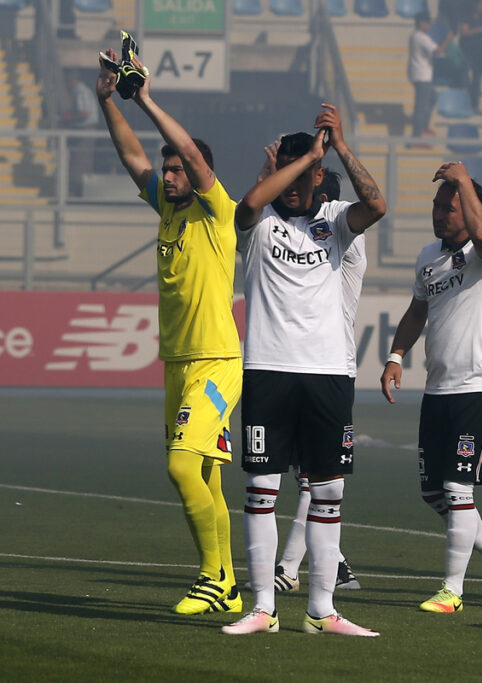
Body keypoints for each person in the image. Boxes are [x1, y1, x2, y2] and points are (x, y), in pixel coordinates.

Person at [223, 104, 387, 636]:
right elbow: (248, 203)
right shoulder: (261, 221)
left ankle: (322, 610)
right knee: (263, 486)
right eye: (285, 174)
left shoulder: (336, 221)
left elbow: (378, 205)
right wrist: (291, 167)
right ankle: (264, 608)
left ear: (319, 177)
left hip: (328, 375)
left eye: (305, 174)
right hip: (269, 368)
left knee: (328, 491)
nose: (293, 187)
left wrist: (336, 148)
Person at [96, 50, 242, 615]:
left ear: (199, 172)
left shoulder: (216, 209)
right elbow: (134, 158)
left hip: (215, 362)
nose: (170, 174)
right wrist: (106, 99)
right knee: (204, 475)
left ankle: (211, 575)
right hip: (178, 363)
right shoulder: (168, 209)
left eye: (179, 168)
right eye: (170, 169)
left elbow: (188, 159)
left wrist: (146, 98)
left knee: (180, 465)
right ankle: (227, 582)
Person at [380, 161, 482, 614]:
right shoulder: (427, 257)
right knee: (434, 495)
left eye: (451, 206)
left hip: (477, 389)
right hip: (437, 390)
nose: (440, 214)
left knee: (459, 492)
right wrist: (395, 356)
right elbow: (416, 312)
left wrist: (464, 179)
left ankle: (453, 592)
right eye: (438, 205)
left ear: (472, 208)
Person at [260, 166, 364, 595]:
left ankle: (288, 566)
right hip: (302, 363)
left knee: (315, 478)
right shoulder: (305, 232)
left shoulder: (345, 237)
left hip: (328, 366)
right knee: (312, 478)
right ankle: (333, 563)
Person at [408, 12, 453, 139]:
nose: (430, 25)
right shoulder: (420, 37)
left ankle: (423, 127)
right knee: (421, 107)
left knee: (433, 97)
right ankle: (416, 136)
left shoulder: (418, 36)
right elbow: (437, 51)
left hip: (424, 75)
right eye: (428, 22)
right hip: (422, 76)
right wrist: (448, 39)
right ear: (422, 23)